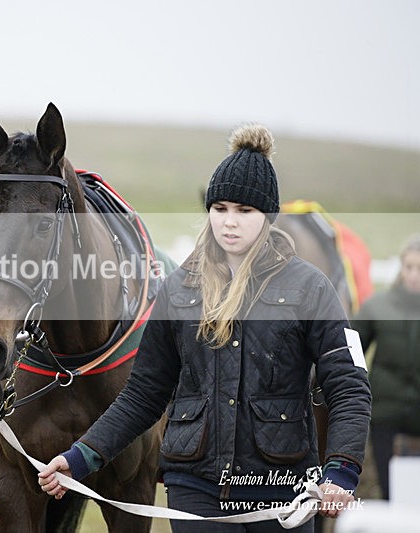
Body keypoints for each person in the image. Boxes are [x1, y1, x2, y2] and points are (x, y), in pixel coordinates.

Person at [38, 124, 372, 532]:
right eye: (221, 209)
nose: (230, 223)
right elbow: (144, 394)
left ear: (267, 216)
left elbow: (349, 385)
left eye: (244, 211)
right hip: (195, 489)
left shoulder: (311, 289)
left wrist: (340, 470)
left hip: (283, 489)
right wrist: (79, 457)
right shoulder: (178, 290)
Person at [351, 235, 420, 500]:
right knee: (391, 492)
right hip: (384, 414)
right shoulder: (376, 307)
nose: (414, 275)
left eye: (419, 268)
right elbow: (351, 352)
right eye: (409, 267)